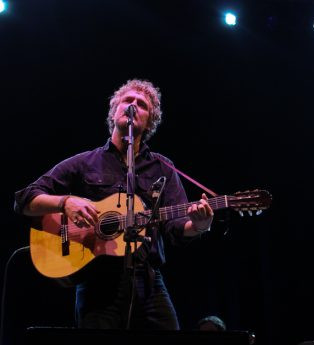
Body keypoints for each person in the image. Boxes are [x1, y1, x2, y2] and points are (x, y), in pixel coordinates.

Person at [14, 78, 214, 331]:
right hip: (97, 283)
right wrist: (65, 202)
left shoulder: (163, 167)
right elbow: (25, 199)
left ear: (150, 120)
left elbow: (176, 226)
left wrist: (199, 225)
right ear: (114, 110)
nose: (133, 106)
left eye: (141, 104)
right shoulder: (86, 162)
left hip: (148, 280)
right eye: (127, 100)